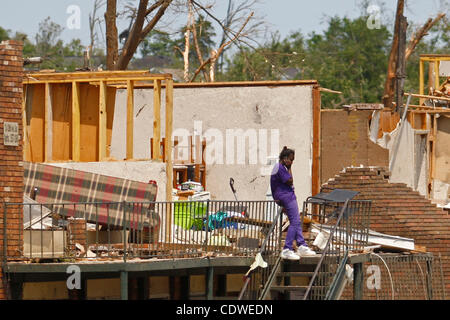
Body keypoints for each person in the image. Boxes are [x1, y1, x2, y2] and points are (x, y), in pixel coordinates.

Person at [270, 146, 316, 260]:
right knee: (295, 222)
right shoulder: (280, 168)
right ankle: (287, 248)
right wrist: (290, 168)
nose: (292, 162)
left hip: (283, 196)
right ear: (285, 158)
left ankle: (301, 245)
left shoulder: (278, 167)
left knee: (295, 220)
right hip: (286, 197)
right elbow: (290, 181)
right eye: (291, 159)